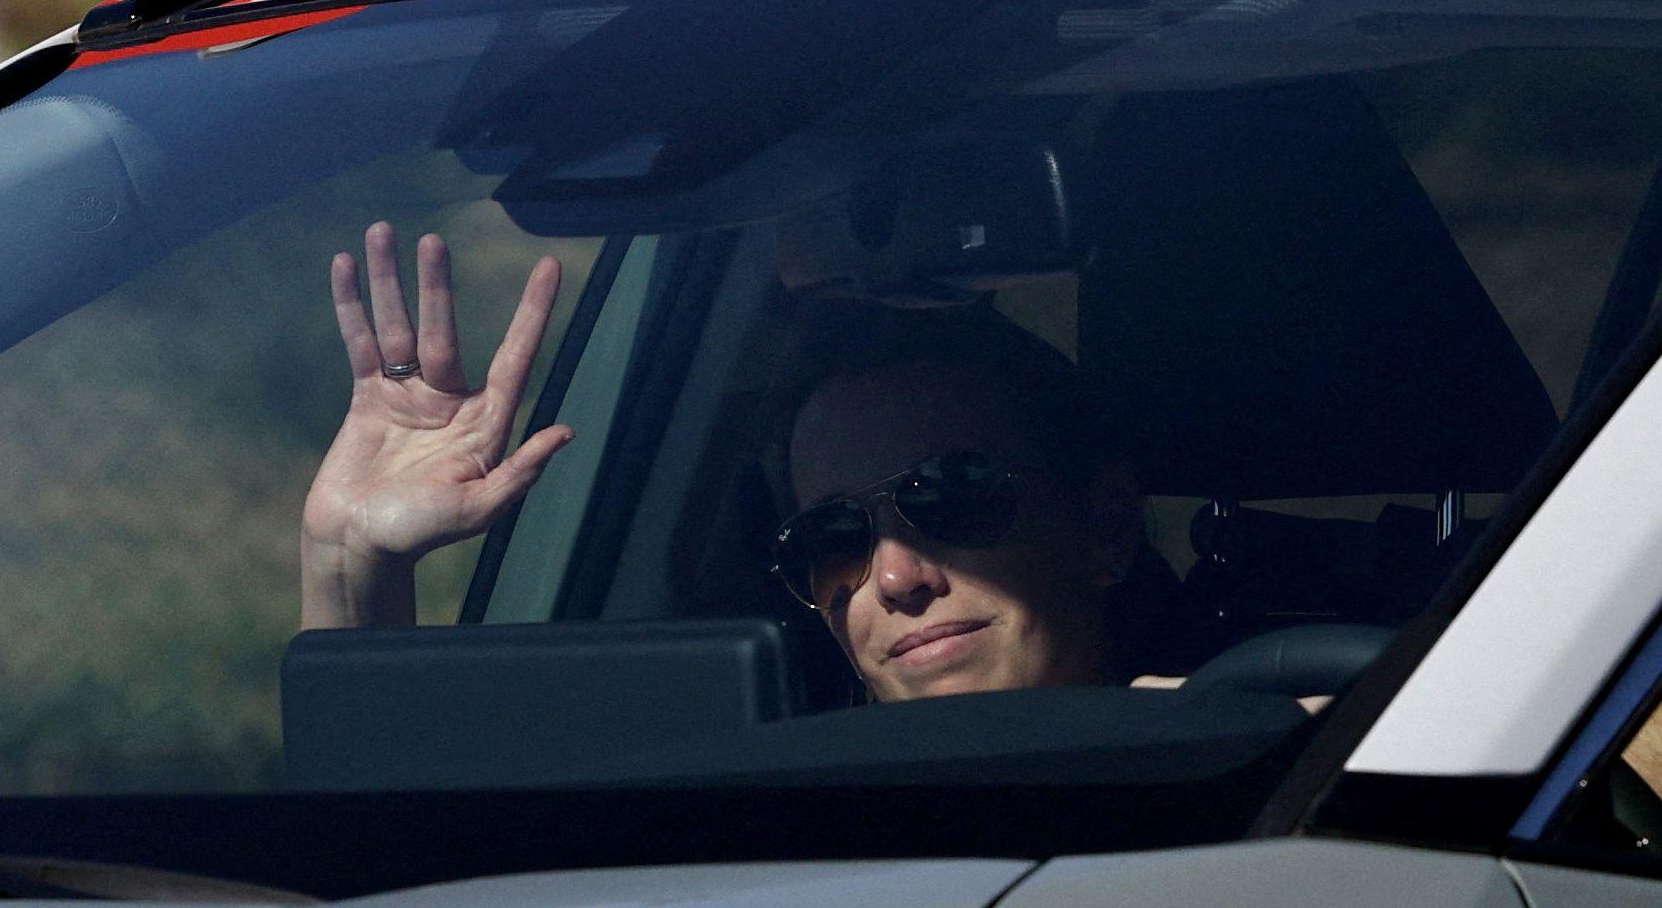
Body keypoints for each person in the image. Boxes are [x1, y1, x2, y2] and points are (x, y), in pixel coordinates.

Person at [300, 222, 1146, 702]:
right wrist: (350, 562)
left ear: (1103, 528)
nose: (893, 577)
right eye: (831, 536)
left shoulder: (1272, 791)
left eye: (949, 496)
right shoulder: (751, 831)